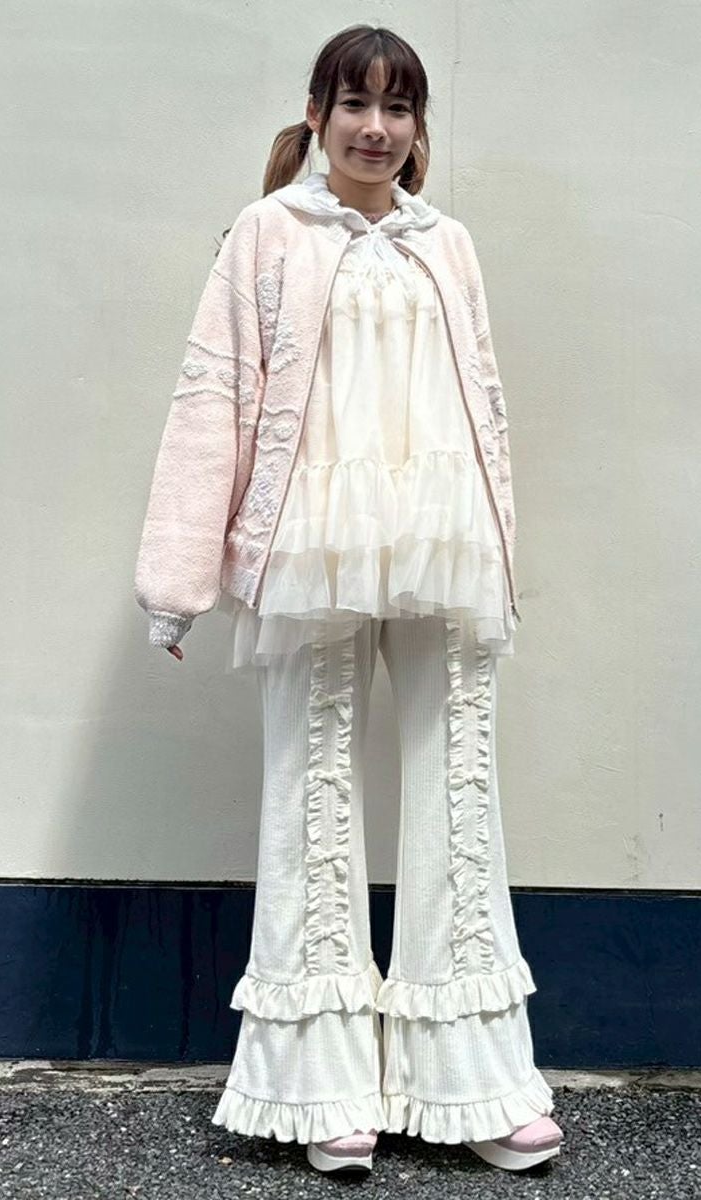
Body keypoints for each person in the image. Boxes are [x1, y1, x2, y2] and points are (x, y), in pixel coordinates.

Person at [134, 23, 564, 1176]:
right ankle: (320, 1086)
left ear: (419, 127)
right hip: (313, 547)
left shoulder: (446, 244)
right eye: (356, 104)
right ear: (318, 114)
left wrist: (499, 554)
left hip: (442, 543)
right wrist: (175, 586)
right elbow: (212, 398)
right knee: (312, 793)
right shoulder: (266, 234)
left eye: (398, 107)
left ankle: (472, 1085)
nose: (377, 127)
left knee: (458, 794)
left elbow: (484, 408)